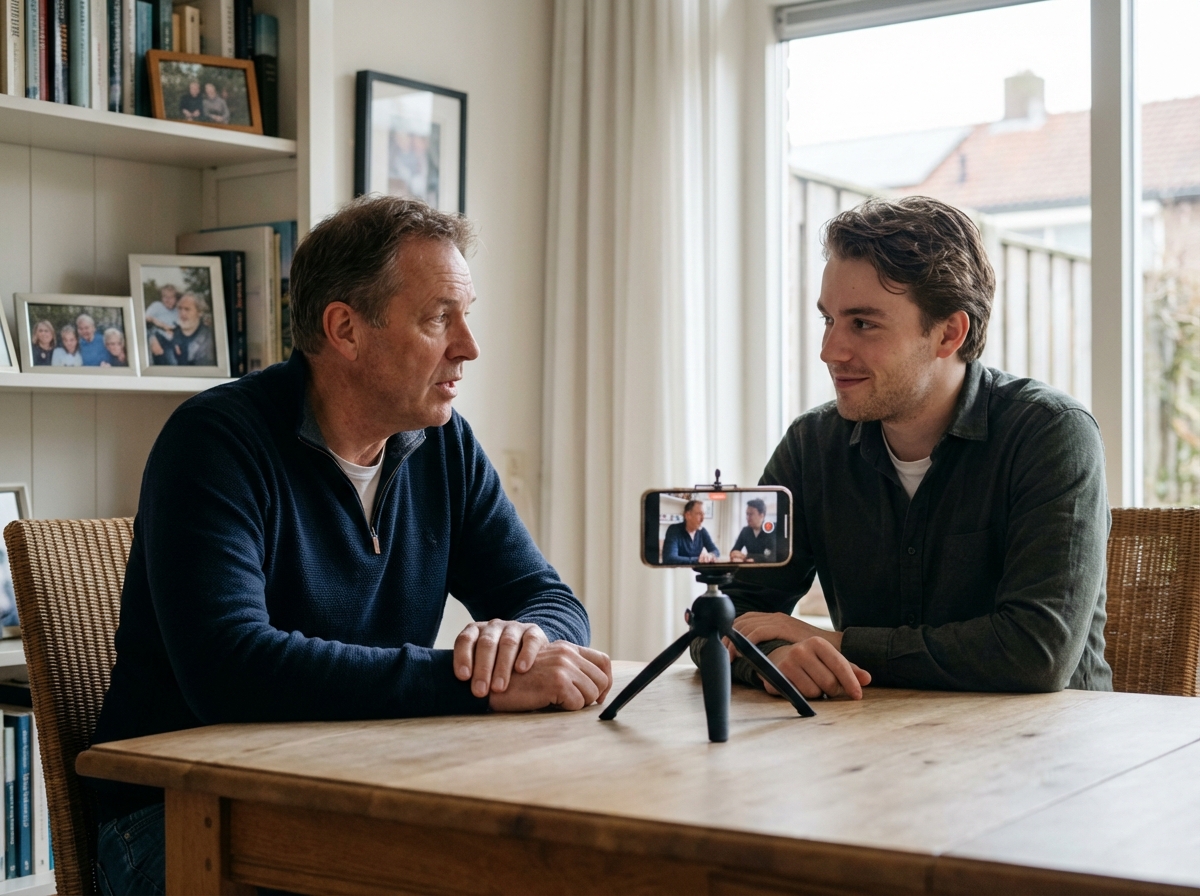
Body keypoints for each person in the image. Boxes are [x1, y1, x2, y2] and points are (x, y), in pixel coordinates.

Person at [89, 195, 612, 896]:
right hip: (176, 816)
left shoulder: (441, 442)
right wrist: (470, 683)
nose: (469, 345)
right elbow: (230, 668)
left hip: (348, 788)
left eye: (466, 314)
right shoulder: (214, 442)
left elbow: (545, 596)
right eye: (438, 318)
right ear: (345, 329)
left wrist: (522, 644)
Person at [713, 196, 1110, 703]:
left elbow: (1035, 653)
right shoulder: (813, 446)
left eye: (862, 323)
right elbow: (723, 618)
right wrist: (774, 660)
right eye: (828, 320)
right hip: (877, 744)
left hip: (1047, 754)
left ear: (949, 333)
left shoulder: (1051, 434)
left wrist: (837, 643)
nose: (829, 351)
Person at [662, 500, 720, 564]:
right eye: (699, 514)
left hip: (695, 572)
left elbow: (716, 551)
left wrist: (710, 555)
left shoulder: (702, 531)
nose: (703, 519)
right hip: (677, 572)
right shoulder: (674, 530)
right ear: (687, 515)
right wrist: (699, 560)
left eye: (704, 514)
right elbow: (669, 559)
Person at [168, 293, 215, 366]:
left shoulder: (210, 338)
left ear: (200, 312)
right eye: (180, 308)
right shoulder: (174, 332)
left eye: (187, 309)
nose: (182, 313)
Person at [729, 499, 775, 563]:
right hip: (749, 568)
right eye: (747, 514)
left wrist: (748, 557)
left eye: (751, 514)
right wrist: (734, 554)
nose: (747, 518)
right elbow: (735, 550)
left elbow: (773, 555)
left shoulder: (772, 529)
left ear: (762, 515)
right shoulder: (745, 531)